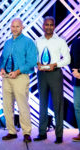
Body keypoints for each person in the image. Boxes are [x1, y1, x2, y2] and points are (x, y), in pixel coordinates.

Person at [33, 16, 71, 144]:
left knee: (58, 104)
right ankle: (42, 133)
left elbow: (67, 59)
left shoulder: (60, 41)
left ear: (54, 26)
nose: (49, 27)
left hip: (55, 74)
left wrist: (55, 64)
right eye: (46, 24)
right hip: (42, 75)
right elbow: (34, 58)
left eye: (51, 25)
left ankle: (59, 135)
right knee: (42, 104)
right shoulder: (37, 41)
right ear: (43, 26)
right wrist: (36, 63)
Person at [0, 18, 37, 143]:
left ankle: (26, 133)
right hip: (7, 79)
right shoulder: (7, 43)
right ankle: (12, 131)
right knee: (7, 106)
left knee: (23, 106)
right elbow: (3, 58)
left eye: (17, 26)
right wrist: (1, 69)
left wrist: (18, 71)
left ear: (22, 27)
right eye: (13, 26)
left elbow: (32, 62)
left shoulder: (28, 42)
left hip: (20, 77)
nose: (14, 29)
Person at [69, 33, 80, 142]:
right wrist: (74, 71)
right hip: (77, 80)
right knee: (77, 106)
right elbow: (70, 59)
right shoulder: (75, 42)